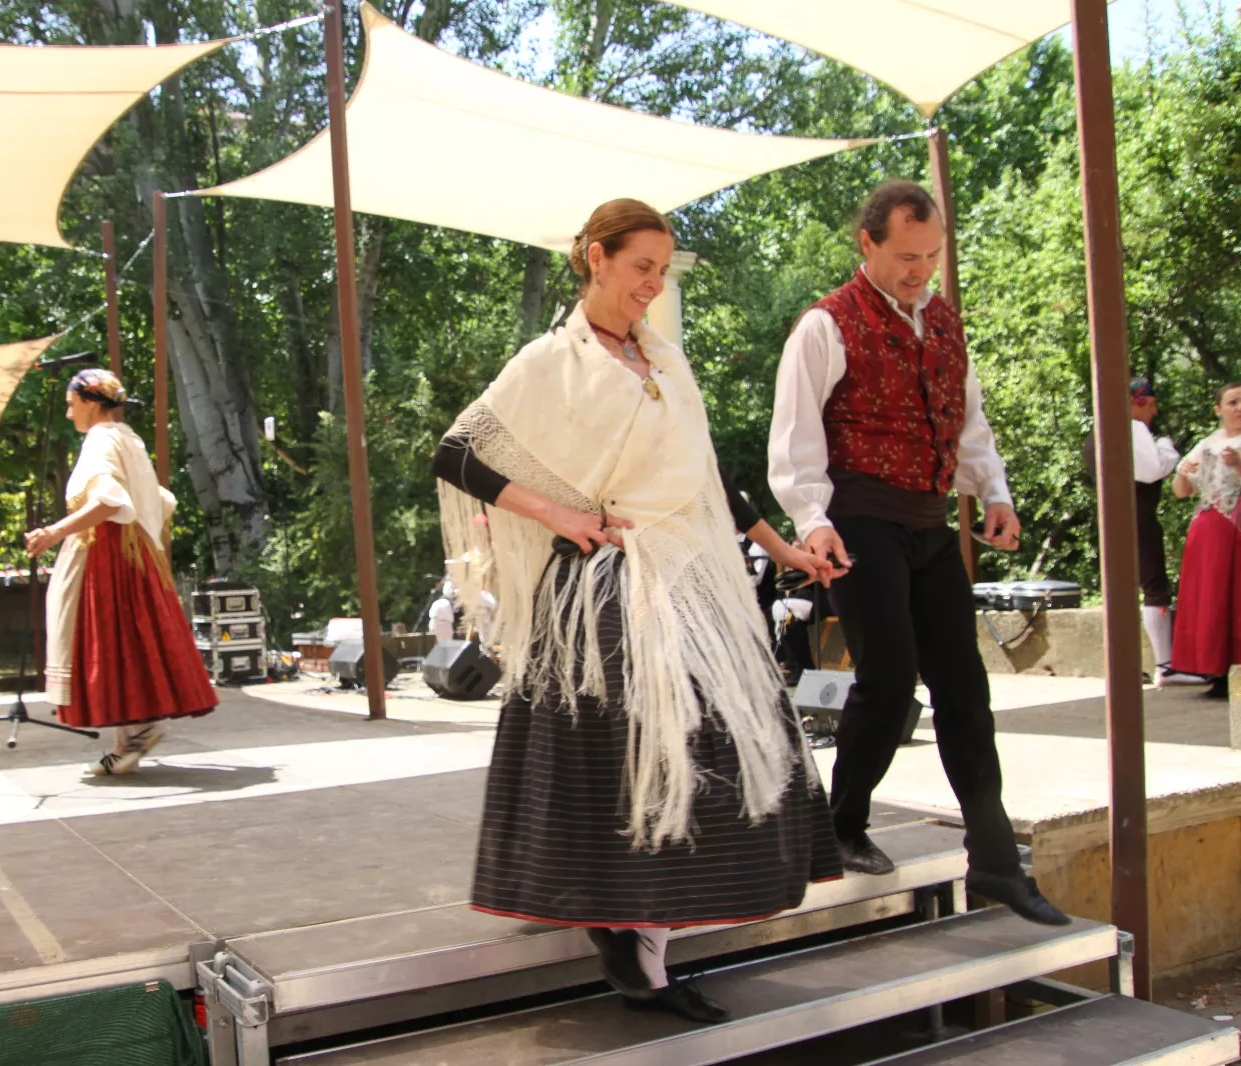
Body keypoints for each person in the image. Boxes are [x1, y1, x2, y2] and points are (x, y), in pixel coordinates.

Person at [432, 199, 839, 1025]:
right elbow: (457, 451)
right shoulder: (552, 362)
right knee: (643, 757)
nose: (654, 283)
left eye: (663, 269)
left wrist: (784, 547)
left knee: (729, 741)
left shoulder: (665, 361)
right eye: (640, 267)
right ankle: (633, 948)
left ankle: (640, 936)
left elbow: (708, 477)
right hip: (607, 589)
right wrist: (561, 515)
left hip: (690, 575)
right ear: (594, 259)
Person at [768, 179, 1066, 926]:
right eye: (906, 256)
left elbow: (969, 423)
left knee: (965, 689)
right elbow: (795, 440)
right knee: (890, 679)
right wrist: (812, 519)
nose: (920, 271)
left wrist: (993, 493)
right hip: (859, 515)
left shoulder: (945, 323)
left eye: (931, 256)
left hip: (931, 522)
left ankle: (995, 861)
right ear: (867, 243)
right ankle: (844, 821)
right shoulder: (825, 325)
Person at [25, 368, 217, 775]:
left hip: (109, 554)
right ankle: (128, 741)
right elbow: (160, 499)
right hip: (134, 554)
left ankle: (139, 731)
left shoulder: (101, 438)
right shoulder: (129, 437)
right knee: (125, 643)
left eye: (71, 404)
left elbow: (110, 500)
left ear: (90, 402)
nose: (68, 413)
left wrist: (54, 531)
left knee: (108, 642)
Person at [1083, 378, 1203, 687]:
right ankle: (1166, 665)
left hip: (1111, 517)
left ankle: (1125, 665)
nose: (1154, 411)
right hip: (1136, 515)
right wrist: (1166, 447)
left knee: (1121, 590)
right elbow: (1152, 469)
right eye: (1151, 404)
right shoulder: (1133, 429)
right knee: (1155, 587)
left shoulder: (1099, 432)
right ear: (1138, 402)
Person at [1170, 382, 1241, 698]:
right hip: (1209, 525)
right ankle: (1215, 668)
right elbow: (1181, 492)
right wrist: (1183, 473)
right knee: (1210, 596)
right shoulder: (1206, 444)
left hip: (1236, 520)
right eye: (1232, 402)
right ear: (1218, 409)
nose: (1239, 408)